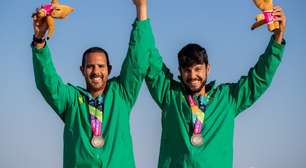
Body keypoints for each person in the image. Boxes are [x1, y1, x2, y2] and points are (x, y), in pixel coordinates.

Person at [145, 4, 286, 168]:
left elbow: (259, 78)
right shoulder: (170, 95)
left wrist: (278, 36)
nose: (192, 76)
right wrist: (142, 10)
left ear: (208, 69)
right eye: (187, 70)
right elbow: (151, 60)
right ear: (180, 71)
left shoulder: (227, 99)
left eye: (198, 69)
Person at [31, 0, 153, 167]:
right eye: (90, 66)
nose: (96, 71)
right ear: (82, 70)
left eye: (101, 66)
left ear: (109, 70)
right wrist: (39, 40)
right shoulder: (71, 100)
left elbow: (137, 60)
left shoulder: (122, 94)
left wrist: (141, 7)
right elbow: (47, 82)